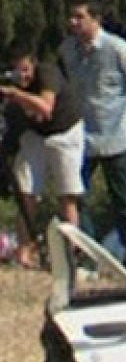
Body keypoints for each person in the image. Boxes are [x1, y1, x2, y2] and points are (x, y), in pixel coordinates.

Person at [59, 0, 126, 257]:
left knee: (124, 200)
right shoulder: (68, 50)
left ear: (96, 19)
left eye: (80, 17)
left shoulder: (117, 49)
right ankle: (88, 255)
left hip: (117, 137)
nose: (73, 22)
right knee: (75, 195)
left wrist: (124, 115)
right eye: (72, 17)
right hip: (82, 137)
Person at [0, 46, 86, 267]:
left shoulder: (48, 74)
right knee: (26, 191)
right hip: (35, 135)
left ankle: (71, 252)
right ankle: (24, 250)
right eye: (18, 72)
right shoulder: (9, 83)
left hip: (64, 132)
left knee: (67, 194)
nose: (24, 76)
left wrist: (15, 95)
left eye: (26, 70)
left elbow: (45, 107)